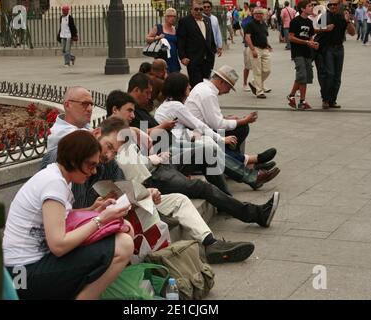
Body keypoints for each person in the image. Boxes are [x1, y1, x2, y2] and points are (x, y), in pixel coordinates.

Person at [106, 89, 281, 232]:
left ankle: (228, 198)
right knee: (202, 187)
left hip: (162, 161)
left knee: (207, 153)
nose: (132, 115)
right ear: (114, 110)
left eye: (133, 111)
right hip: (153, 176)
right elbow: (133, 168)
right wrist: (153, 156)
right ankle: (255, 213)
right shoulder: (110, 138)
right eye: (129, 110)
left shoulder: (126, 130)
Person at [3, 130, 134, 300]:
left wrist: (94, 209)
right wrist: (101, 219)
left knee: (126, 231)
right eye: (90, 165)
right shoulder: (54, 183)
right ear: (73, 161)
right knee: (124, 245)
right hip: (22, 275)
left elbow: (58, 216)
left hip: (26, 269)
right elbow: (58, 246)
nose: (94, 171)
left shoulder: (57, 176)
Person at [315, 0, 355, 109]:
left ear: (339, 5)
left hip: (339, 49)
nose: (332, 6)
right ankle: (325, 99)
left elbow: (352, 33)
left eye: (335, 4)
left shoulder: (343, 17)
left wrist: (348, 22)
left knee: (337, 76)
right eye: (330, 5)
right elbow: (316, 31)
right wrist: (325, 28)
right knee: (330, 74)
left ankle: (333, 100)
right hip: (327, 48)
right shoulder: (324, 16)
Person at [287, 0, 319, 111]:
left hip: (307, 53)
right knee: (303, 76)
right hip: (297, 53)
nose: (312, 8)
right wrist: (306, 42)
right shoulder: (295, 21)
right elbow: (290, 37)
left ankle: (291, 95)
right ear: (302, 9)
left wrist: (313, 43)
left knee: (307, 76)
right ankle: (302, 101)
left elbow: (310, 37)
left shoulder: (309, 22)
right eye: (310, 6)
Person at [177, 0, 217, 88]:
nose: (198, 11)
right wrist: (182, 57)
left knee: (206, 83)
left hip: (208, 59)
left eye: (200, 9)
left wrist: (213, 50)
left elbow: (211, 36)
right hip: (193, 59)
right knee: (196, 85)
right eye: (196, 9)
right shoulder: (185, 21)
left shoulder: (207, 20)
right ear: (191, 10)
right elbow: (181, 40)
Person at [245, 7, 273, 99]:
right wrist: (252, 49)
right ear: (253, 14)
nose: (258, 15)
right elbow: (247, 37)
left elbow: (264, 36)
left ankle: (254, 83)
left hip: (265, 49)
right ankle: (259, 91)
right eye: (256, 13)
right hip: (255, 48)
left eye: (260, 13)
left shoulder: (264, 24)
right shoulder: (250, 24)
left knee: (267, 70)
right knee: (257, 71)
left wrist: (268, 45)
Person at [146, 8, 181, 73]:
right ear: (165, 17)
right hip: (162, 59)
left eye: (174, 16)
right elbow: (147, 39)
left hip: (174, 59)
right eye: (170, 16)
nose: (172, 18)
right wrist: (157, 38)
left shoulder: (175, 29)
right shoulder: (158, 27)